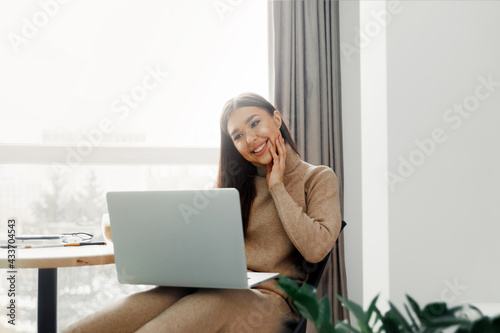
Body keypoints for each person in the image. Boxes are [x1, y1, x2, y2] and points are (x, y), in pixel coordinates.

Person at [64, 92, 342, 333]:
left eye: (255, 123)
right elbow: (198, 242)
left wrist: (278, 187)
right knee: (101, 323)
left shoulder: (317, 178)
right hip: (215, 287)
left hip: (272, 303)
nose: (250, 139)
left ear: (277, 119)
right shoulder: (232, 185)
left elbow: (316, 249)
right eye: (238, 136)